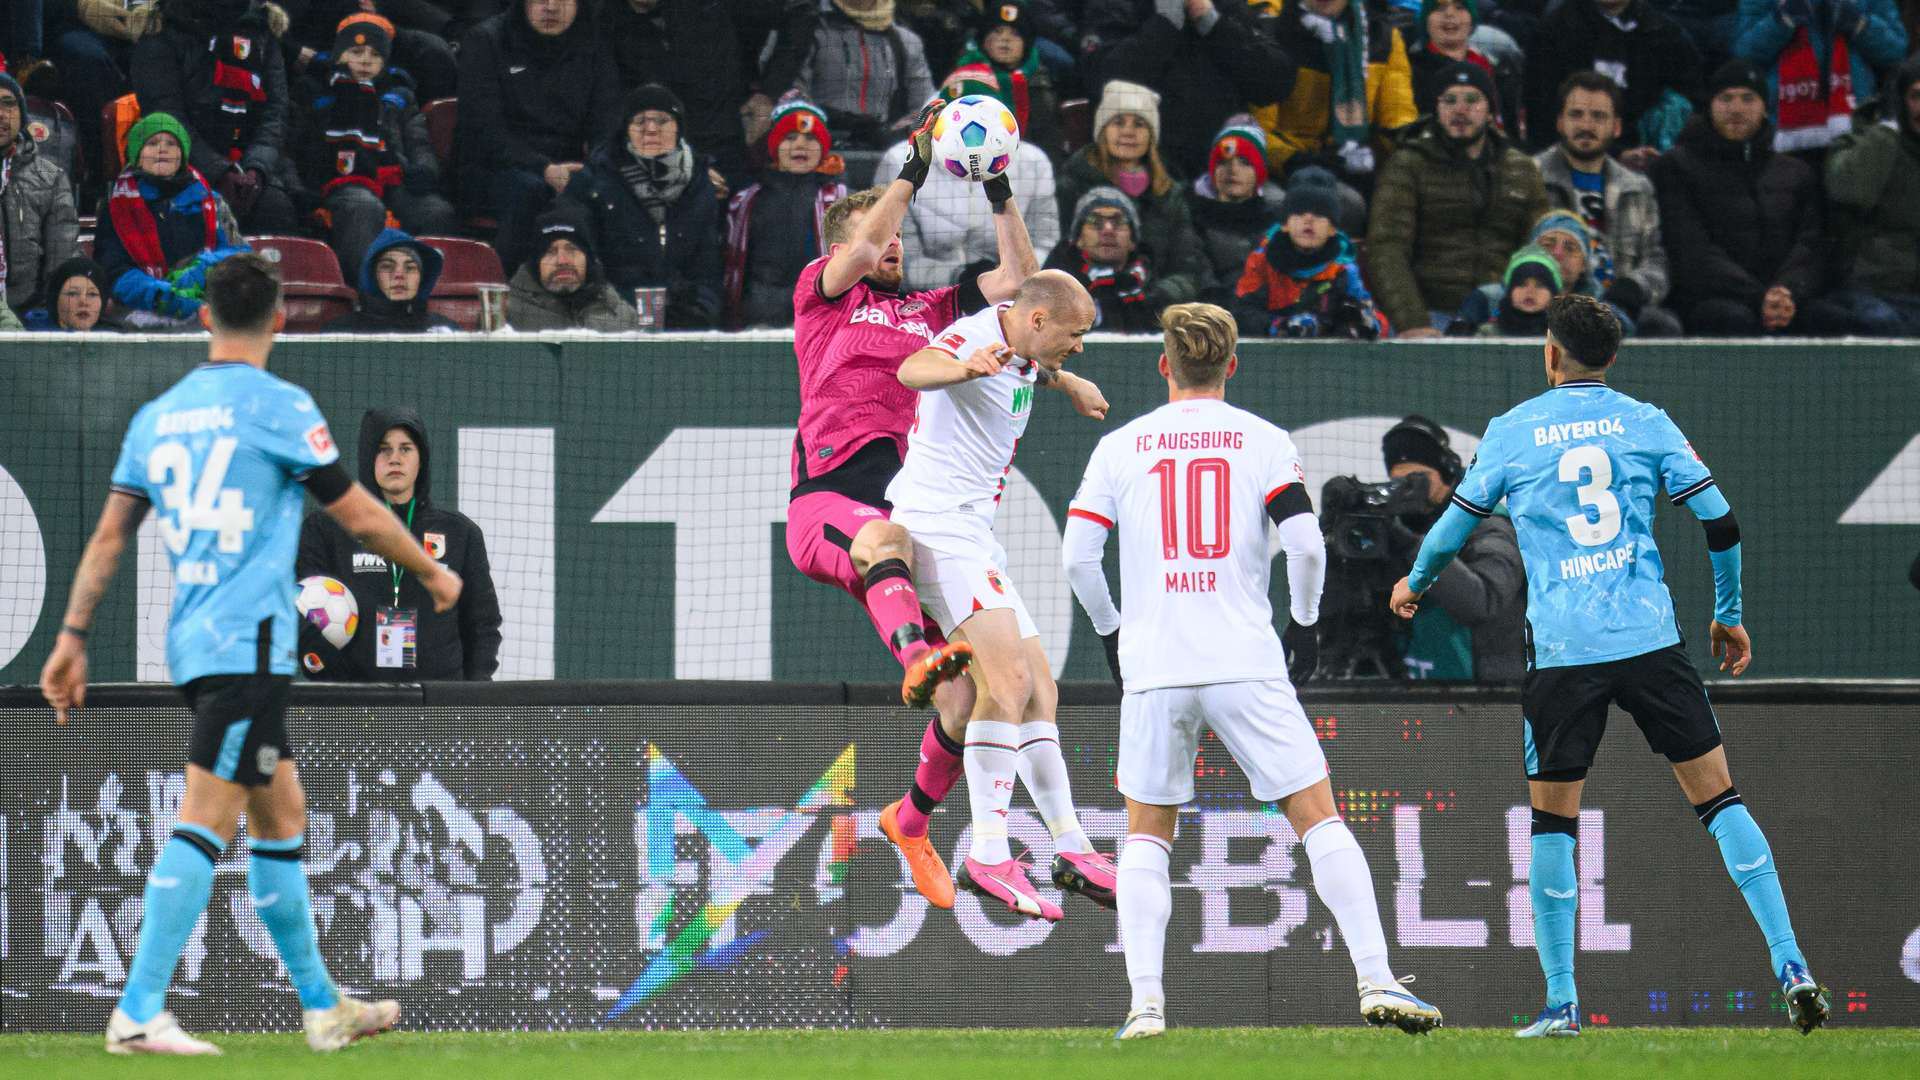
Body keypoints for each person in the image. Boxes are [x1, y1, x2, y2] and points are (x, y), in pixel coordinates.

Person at [38, 252, 458, 1056]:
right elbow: (359, 515)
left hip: (195, 640)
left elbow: (107, 540)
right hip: (251, 643)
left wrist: (71, 639)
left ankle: (323, 1006)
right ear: (278, 320)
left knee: (282, 812)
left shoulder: (156, 417)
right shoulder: (279, 406)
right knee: (207, 819)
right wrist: (432, 569)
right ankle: (138, 1008)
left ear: (204, 318)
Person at [1390, 294, 1830, 1039]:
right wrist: (1728, 612)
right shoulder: (1645, 420)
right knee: (1721, 803)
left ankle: (1562, 1003)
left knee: (1553, 824)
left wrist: (1416, 583)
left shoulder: (1513, 430)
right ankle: (1792, 965)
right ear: (1613, 358)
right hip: (1650, 640)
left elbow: (1449, 529)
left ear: (1550, 353)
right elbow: (1721, 520)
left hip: (1565, 653)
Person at [1063, 301, 1444, 1040]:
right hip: (1244, 657)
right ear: (1232, 365)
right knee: (1317, 816)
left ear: (1163, 364)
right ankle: (1375, 978)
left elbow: (1080, 558)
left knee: (1147, 833)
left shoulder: (1121, 445)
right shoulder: (1262, 441)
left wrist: (1114, 635)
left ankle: (1146, 1006)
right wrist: (1302, 626)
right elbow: (1306, 545)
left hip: (1157, 664)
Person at [786, 108, 1100, 912]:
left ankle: (913, 820)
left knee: (971, 699)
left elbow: (1025, 291)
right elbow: (857, 249)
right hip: (831, 504)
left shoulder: (930, 311)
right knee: (897, 555)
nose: (890, 247)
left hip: (902, 528)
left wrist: (1000, 193)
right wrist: (915, 169)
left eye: (898, 239)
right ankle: (917, 666)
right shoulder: (824, 301)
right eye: (876, 237)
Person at [888, 269, 1116, 922]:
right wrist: (961, 370)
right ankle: (988, 850)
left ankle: (1070, 846)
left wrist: (1065, 380)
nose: (1081, 345)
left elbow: (1021, 368)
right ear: (1039, 321)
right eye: (1076, 337)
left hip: (974, 537)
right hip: (937, 529)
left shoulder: (1019, 342)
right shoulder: (971, 338)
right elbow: (915, 369)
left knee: (1042, 689)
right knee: (1006, 683)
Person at [296, 406, 502, 681]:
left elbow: (482, 625)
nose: (395, 459)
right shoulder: (325, 530)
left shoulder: (461, 533)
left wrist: (473, 697)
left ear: (421, 459)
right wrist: (335, 681)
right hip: (352, 700)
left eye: (405, 449)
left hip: (437, 703)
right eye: (383, 449)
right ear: (368, 456)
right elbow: (300, 611)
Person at [1367, 61, 1549, 336]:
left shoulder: (1521, 168)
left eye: (1473, 100)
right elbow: (1387, 248)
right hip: (1431, 314)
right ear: (1436, 110)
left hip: (1504, 313)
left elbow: (1538, 248)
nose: (1460, 109)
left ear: (1490, 112)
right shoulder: (1407, 164)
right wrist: (1413, 322)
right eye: (1449, 100)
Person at [1651, 59, 1825, 334]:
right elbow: (1692, 251)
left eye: (1747, 98)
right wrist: (1759, 296)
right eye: (1726, 98)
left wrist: (1787, 291)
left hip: (1785, 297)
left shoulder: (1796, 173)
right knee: (1733, 319)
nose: (1736, 108)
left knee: (1828, 317)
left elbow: (1811, 245)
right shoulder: (1678, 166)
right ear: (1710, 105)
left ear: (1765, 107)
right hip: (1710, 299)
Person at [455, 0, 622, 276]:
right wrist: (542, 168)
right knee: (530, 191)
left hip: (570, 166)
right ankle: (512, 292)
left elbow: (607, 122)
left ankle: (605, 296)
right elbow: (483, 129)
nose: (552, 7)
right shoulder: (487, 40)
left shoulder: (593, 44)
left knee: (608, 187)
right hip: (493, 167)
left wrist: (592, 167)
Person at [300, 13, 457, 281]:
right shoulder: (316, 92)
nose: (365, 60)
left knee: (436, 210)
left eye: (375, 55)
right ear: (338, 55)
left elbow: (418, 141)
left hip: (395, 178)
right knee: (363, 207)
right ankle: (366, 291)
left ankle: (428, 290)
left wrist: (425, 169)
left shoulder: (400, 95)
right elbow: (300, 145)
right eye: (356, 51)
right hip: (339, 182)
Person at [560, 84, 724, 329]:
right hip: (610, 315)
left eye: (662, 121)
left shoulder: (700, 185)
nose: (650, 130)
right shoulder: (594, 180)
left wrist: (700, 307)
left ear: (679, 128)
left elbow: (708, 269)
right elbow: (579, 254)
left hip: (683, 315)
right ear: (626, 130)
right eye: (640, 121)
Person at [1534, 73, 1683, 337]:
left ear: (1616, 127)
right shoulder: (1532, 176)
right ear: (1559, 122)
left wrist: (1632, 288)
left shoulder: (1637, 187)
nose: (1586, 125)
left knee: (1662, 325)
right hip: (1550, 299)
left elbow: (1656, 260)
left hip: (1619, 305)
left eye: (1598, 116)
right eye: (1576, 114)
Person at [131, 0, 298, 234]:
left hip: (251, 167)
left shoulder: (261, 29)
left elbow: (276, 114)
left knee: (275, 208)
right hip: (179, 165)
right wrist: (220, 172)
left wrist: (256, 169)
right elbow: (165, 115)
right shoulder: (160, 29)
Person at [1378, 416, 1526, 679]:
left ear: (1447, 473)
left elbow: (1483, 601)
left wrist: (1414, 546)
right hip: (1414, 690)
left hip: (1488, 694)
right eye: (1400, 483)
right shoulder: (1398, 528)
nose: (1411, 491)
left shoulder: (1488, 523)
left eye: (1420, 479)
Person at [1095, 0, 1298, 179]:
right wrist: (1165, 24)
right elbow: (1102, 80)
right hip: (1147, 170)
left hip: (1225, 169)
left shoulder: (1228, 6)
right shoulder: (1119, 6)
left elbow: (1275, 83)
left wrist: (1214, 25)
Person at [1054, 80, 1208, 308]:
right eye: (1118, 122)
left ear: (1151, 135)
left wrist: (1153, 298)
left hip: (1154, 310)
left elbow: (1187, 269)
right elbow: (1060, 256)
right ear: (1103, 129)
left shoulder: (1171, 195)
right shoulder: (1072, 185)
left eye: (1139, 124)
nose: (1128, 131)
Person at [94, 112, 250, 328]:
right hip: (138, 315)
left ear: (183, 155)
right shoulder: (115, 207)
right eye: (152, 143)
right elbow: (112, 270)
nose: (162, 149)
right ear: (137, 155)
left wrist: (204, 268)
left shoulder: (212, 201)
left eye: (172, 143)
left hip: (207, 312)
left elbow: (242, 256)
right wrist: (159, 294)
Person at [1251, 0, 1417, 193]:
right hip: (1286, 168)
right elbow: (1258, 130)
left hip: (1358, 165)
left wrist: (1412, 151)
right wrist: (1294, 161)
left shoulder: (1382, 37)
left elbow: (1397, 118)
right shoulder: (1273, 33)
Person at [1815, 53, 1920, 335]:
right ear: (1898, 100)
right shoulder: (1861, 140)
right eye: (1916, 96)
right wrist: (1887, 129)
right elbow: (1849, 189)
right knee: (1883, 325)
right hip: (1873, 289)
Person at [723, 95, 849, 329]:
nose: (800, 145)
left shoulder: (842, 201)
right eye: (790, 138)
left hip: (821, 319)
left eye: (810, 138)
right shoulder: (747, 200)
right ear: (774, 147)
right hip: (759, 318)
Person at [1524, 0, 1704, 156]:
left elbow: (1694, 101)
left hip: (1646, 158)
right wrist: (1616, 154)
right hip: (1568, 155)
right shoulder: (1552, 33)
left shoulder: (1665, 35)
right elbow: (1541, 119)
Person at [1732, 0, 1907, 152]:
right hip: (1784, 125)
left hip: (1856, 123)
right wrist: (1782, 20)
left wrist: (1860, 24)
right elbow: (1745, 52)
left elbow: (1895, 50)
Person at [1231, 174, 1386, 338]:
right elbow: (1242, 312)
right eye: (1299, 213)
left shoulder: (1343, 271)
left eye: (1319, 214)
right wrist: (1279, 326)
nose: (1308, 219)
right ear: (1285, 225)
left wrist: (1366, 325)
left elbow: (1371, 316)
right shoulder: (1262, 262)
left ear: (1332, 229)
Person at [793, 0, 937, 150]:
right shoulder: (808, 30)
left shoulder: (904, 40)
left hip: (883, 154)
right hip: (816, 150)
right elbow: (792, 97)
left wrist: (898, 133)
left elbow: (928, 108)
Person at [936, 1, 1064, 166]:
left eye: (1015, 34)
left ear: (1027, 43)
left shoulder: (1039, 78)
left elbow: (1049, 139)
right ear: (984, 39)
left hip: (1027, 169)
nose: (1005, 39)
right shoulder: (966, 78)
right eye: (998, 32)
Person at [1, 70, 79, 317]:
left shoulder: (50, 177)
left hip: (28, 313)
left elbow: (62, 255)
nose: (1, 114)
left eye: (9, 104)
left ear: (22, 115)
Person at [1042, 186, 1166, 333]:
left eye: (1119, 221)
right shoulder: (1051, 290)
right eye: (1095, 221)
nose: (1108, 230)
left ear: (1132, 240)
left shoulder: (1160, 296)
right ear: (1078, 239)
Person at [1190, 115, 1286, 303]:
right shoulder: (1194, 216)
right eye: (1223, 161)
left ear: (1259, 171)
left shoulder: (1278, 218)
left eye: (1244, 162)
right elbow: (1202, 279)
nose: (1233, 170)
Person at [505, 202, 638, 331]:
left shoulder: (620, 313)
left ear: (588, 259)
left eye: (572, 249)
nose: (562, 261)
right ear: (535, 263)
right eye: (550, 251)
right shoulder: (507, 315)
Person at [1407, 0, 1521, 138]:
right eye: (1439, 8)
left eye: (1460, 7)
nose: (1449, 14)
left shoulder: (1488, 64)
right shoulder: (1411, 71)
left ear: (1472, 19)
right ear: (1425, 20)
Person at [323, 229, 460, 333]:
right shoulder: (341, 331)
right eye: (388, 266)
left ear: (421, 278)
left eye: (410, 268)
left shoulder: (445, 330)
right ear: (372, 275)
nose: (399, 275)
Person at [1468, 244, 1563, 336]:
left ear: (1553, 293)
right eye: (1522, 284)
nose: (1530, 291)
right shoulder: (1487, 335)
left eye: (1540, 285)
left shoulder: (1565, 337)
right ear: (1509, 290)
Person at [22, 256, 129, 331]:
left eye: (92, 294)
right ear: (54, 301)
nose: (83, 302)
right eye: (72, 294)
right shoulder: (30, 337)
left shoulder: (115, 340)